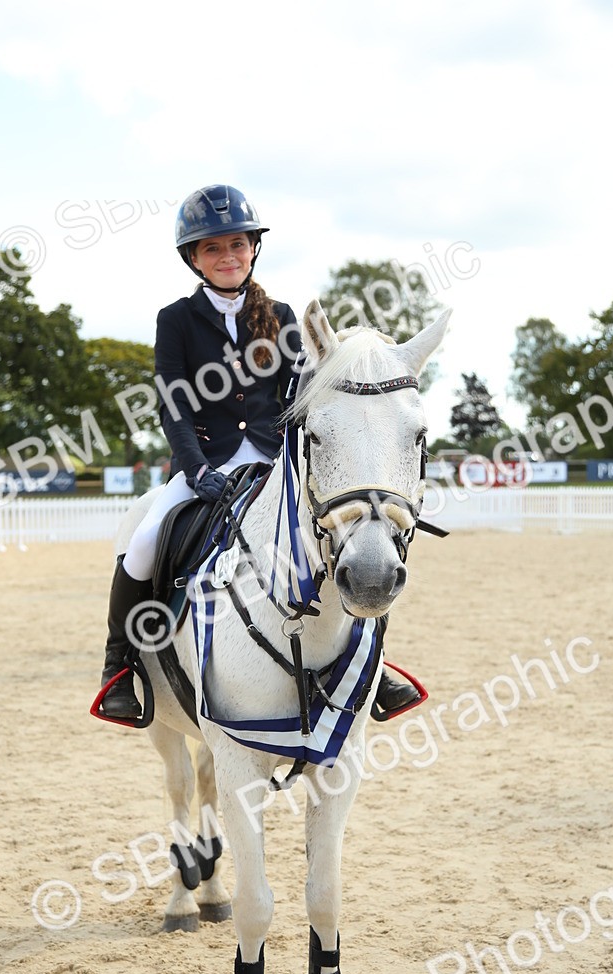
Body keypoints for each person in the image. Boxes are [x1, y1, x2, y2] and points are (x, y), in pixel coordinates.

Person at [98, 184, 419, 721]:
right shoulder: (175, 319)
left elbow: (298, 395)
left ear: (253, 249)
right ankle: (120, 666)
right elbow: (173, 405)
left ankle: (372, 660)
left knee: (344, 536)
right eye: (213, 249)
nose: (228, 257)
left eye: (237, 245)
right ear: (194, 259)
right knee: (147, 538)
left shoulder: (282, 313)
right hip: (206, 461)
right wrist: (196, 471)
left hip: (274, 460)